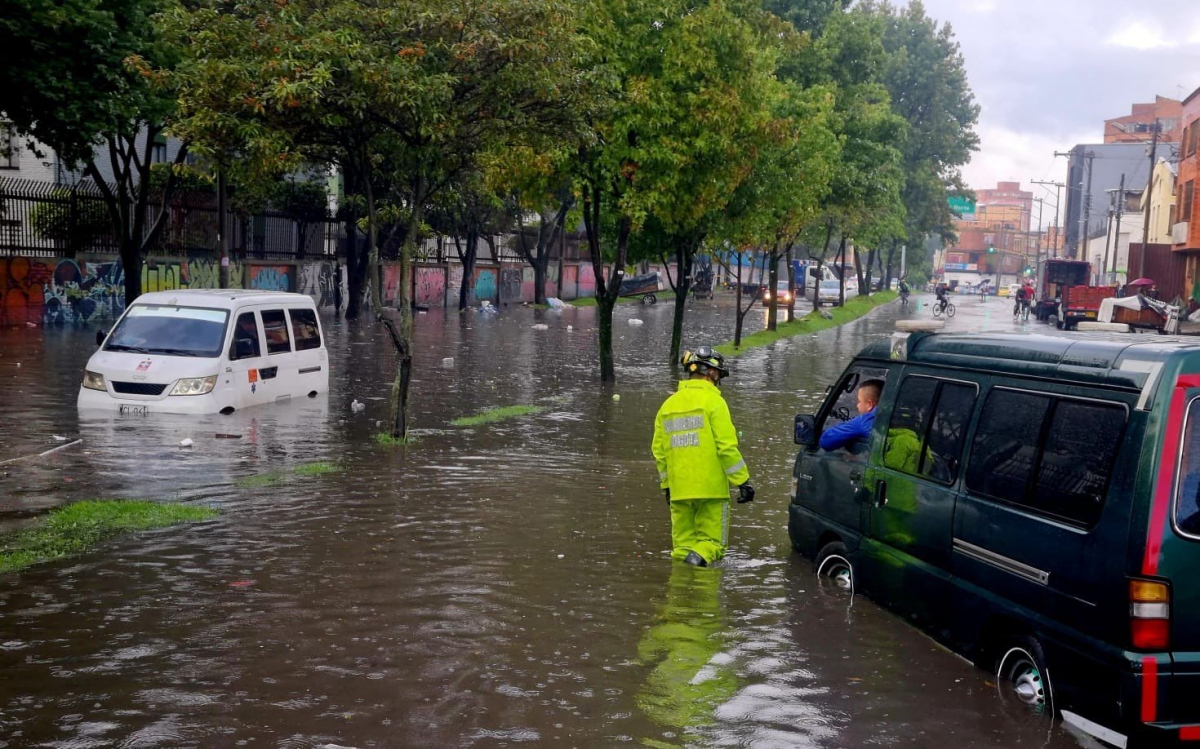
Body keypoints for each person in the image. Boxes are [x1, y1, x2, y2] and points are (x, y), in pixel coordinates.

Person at [652, 347, 754, 567]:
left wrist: (667, 486)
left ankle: (680, 586)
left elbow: (659, 452)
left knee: (682, 549)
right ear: (712, 373)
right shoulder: (715, 402)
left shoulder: (667, 406)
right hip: (711, 491)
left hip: (679, 491)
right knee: (712, 544)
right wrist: (743, 481)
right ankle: (702, 583)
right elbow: (726, 447)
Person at [819, 379, 884, 451]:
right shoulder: (890, 417)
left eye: (859, 401)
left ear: (870, 404)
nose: (857, 405)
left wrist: (850, 423)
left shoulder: (863, 422)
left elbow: (825, 441)